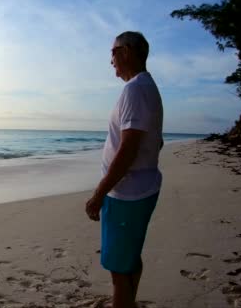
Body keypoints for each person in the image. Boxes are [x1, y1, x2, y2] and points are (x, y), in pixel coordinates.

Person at [85, 31, 163, 308]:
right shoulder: (147, 87)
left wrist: (99, 193)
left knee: (119, 267)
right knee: (129, 259)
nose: (111, 61)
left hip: (127, 193)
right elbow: (157, 140)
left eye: (113, 53)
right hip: (141, 186)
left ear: (127, 51)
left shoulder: (135, 89)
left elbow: (128, 148)